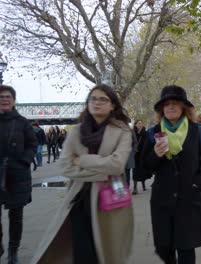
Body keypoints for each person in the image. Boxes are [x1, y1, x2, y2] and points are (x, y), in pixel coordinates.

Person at [31, 84, 134, 263]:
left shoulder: (122, 130)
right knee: (83, 253)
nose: (97, 103)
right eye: (93, 98)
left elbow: (117, 165)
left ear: (113, 106)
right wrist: (103, 170)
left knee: (109, 252)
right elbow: (65, 166)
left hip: (110, 200)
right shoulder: (77, 131)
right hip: (79, 199)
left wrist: (83, 161)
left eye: (103, 99)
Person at [142, 85, 201, 264]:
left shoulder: (199, 131)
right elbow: (142, 170)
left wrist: (198, 183)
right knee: (164, 249)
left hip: (189, 200)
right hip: (162, 202)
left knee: (186, 249)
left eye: (175, 103)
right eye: (166, 104)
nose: (171, 107)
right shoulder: (152, 134)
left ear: (184, 107)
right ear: (161, 109)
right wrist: (155, 155)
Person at [0, 85, 37, 263]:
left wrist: (24, 161)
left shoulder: (22, 122)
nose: (4, 99)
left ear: (14, 100)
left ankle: (13, 250)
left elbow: (32, 144)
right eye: (1, 96)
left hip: (17, 174)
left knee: (16, 216)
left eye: (8, 96)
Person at [132, 120, 151, 194]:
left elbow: (148, 143)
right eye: (138, 123)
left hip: (143, 154)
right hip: (135, 154)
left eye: (141, 123)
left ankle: (143, 185)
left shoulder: (145, 133)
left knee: (143, 170)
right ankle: (135, 188)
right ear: (135, 125)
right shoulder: (133, 132)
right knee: (135, 171)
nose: (140, 124)